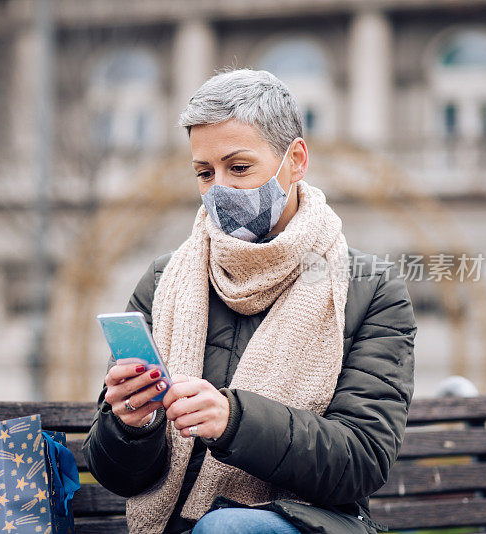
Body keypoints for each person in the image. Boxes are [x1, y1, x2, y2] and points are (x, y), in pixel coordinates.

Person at [82, 69, 416, 534]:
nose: (219, 188)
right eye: (204, 172)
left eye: (238, 168)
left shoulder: (369, 286)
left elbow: (362, 459)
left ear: (295, 160)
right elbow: (119, 476)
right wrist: (130, 425)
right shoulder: (164, 280)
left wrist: (235, 421)